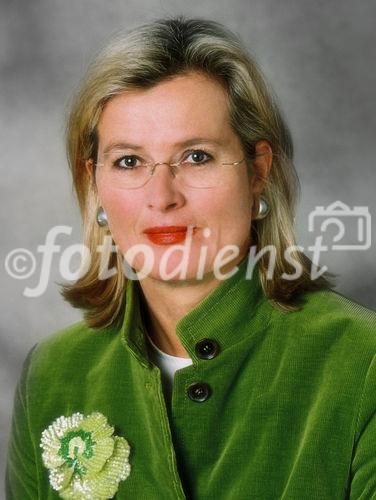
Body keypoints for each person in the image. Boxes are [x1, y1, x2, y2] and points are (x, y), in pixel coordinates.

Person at [5, 16, 376, 500]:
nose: (162, 196)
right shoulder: (52, 374)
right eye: (129, 161)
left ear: (258, 172)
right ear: (94, 183)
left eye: (196, 156)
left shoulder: (363, 363)